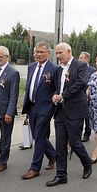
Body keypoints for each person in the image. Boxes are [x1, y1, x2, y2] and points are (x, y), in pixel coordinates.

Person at [46, 43, 92, 187]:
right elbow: (57, 88)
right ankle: (61, 175)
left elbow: (81, 84)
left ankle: (87, 163)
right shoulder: (59, 70)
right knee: (60, 145)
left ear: (69, 51)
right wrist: (55, 96)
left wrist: (62, 96)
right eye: (57, 53)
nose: (58, 56)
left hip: (75, 111)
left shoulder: (81, 66)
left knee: (75, 143)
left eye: (60, 53)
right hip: (60, 112)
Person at [21, 42, 57, 180]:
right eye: (37, 52)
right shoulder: (31, 67)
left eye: (42, 52)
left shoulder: (54, 69)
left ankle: (35, 168)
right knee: (37, 136)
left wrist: (53, 103)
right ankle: (53, 155)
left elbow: (56, 88)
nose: (38, 54)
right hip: (32, 106)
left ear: (48, 53)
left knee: (39, 135)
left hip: (45, 108)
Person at [78, 51, 97, 143]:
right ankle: (78, 134)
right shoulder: (77, 68)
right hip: (78, 96)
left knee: (87, 117)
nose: (79, 59)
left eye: (81, 58)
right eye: (79, 57)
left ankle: (87, 134)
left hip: (89, 98)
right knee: (79, 117)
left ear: (87, 59)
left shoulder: (93, 70)